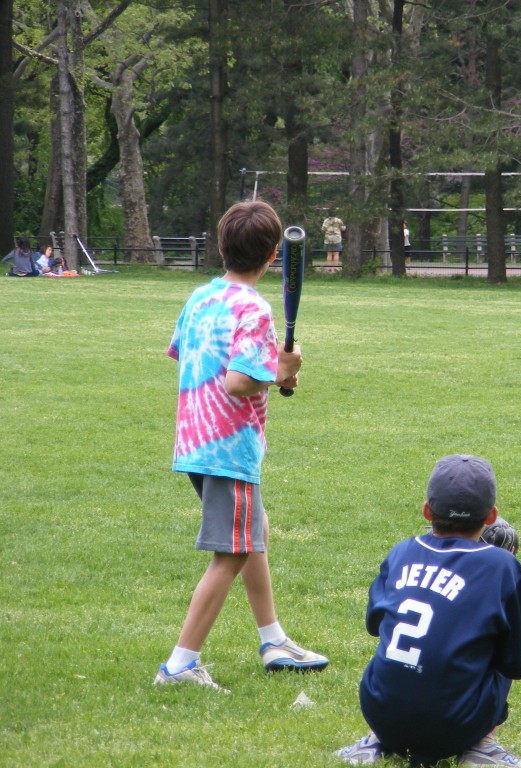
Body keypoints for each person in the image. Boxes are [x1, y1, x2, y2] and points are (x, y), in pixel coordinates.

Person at [155, 200, 327, 692]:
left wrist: (272, 368)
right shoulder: (255, 308)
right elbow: (237, 381)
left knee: (255, 531)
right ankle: (180, 664)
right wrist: (279, 370)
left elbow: (186, 354)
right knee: (231, 553)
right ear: (274, 255)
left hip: (194, 440)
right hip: (229, 449)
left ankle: (273, 639)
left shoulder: (200, 297)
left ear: (220, 246)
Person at [335, 454, 521, 767]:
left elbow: (373, 623)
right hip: (455, 727)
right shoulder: (501, 565)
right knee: (499, 644)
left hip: (380, 714)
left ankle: (376, 740)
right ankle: (482, 747)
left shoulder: (402, 551)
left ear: (427, 510)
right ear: (491, 516)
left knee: (399, 651)